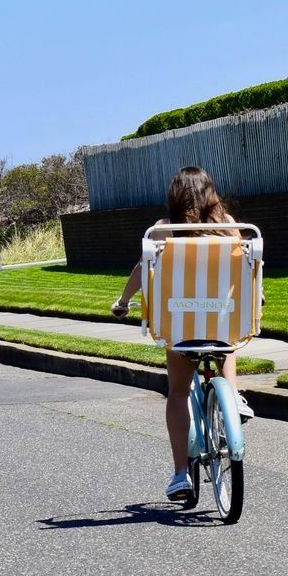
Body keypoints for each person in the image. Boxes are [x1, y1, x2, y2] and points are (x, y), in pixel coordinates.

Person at [111, 166, 255, 501]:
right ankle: (231, 393)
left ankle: (180, 474)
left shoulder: (164, 230)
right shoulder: (229, 226)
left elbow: (141, 270)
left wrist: (123, 300)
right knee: (226, 337)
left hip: (181, 329)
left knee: (177, 393)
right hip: (220, 324)